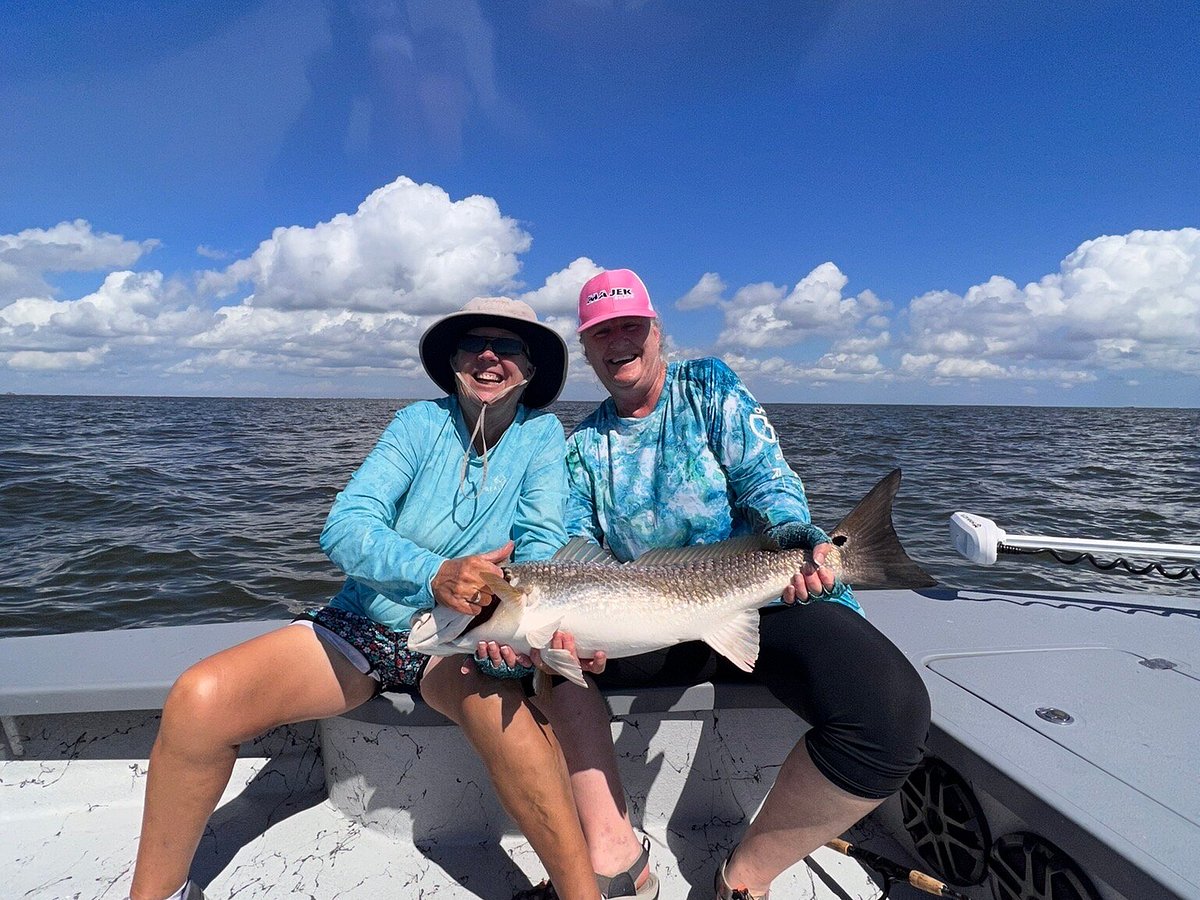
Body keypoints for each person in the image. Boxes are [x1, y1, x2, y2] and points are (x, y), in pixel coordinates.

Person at [129, 297, 601, 900]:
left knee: (516, 732)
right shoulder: (415, 424)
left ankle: (581, 894)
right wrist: (433, 574)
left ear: (530, 369)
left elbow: (541, 543)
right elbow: (346, 524)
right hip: (362, 625)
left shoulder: (542, 438)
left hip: (461, 638)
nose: (489, 356)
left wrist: (520, 624)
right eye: (473, 345)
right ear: (452, 361)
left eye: (508, 347)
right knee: (199, 700)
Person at [528, 269, 931, 900]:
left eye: (631, 325)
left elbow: (765, 478)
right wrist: (575, 634)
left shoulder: (707, 386)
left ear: (657, 332)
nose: (618, 342)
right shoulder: (580, 451)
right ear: (585, 349)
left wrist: (800, 539)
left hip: (761, 602)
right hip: (647, 627)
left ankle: (743, 876)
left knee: (893, 712)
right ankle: (618, 857)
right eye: (601, 332)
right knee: (550, 656)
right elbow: (576, 557)